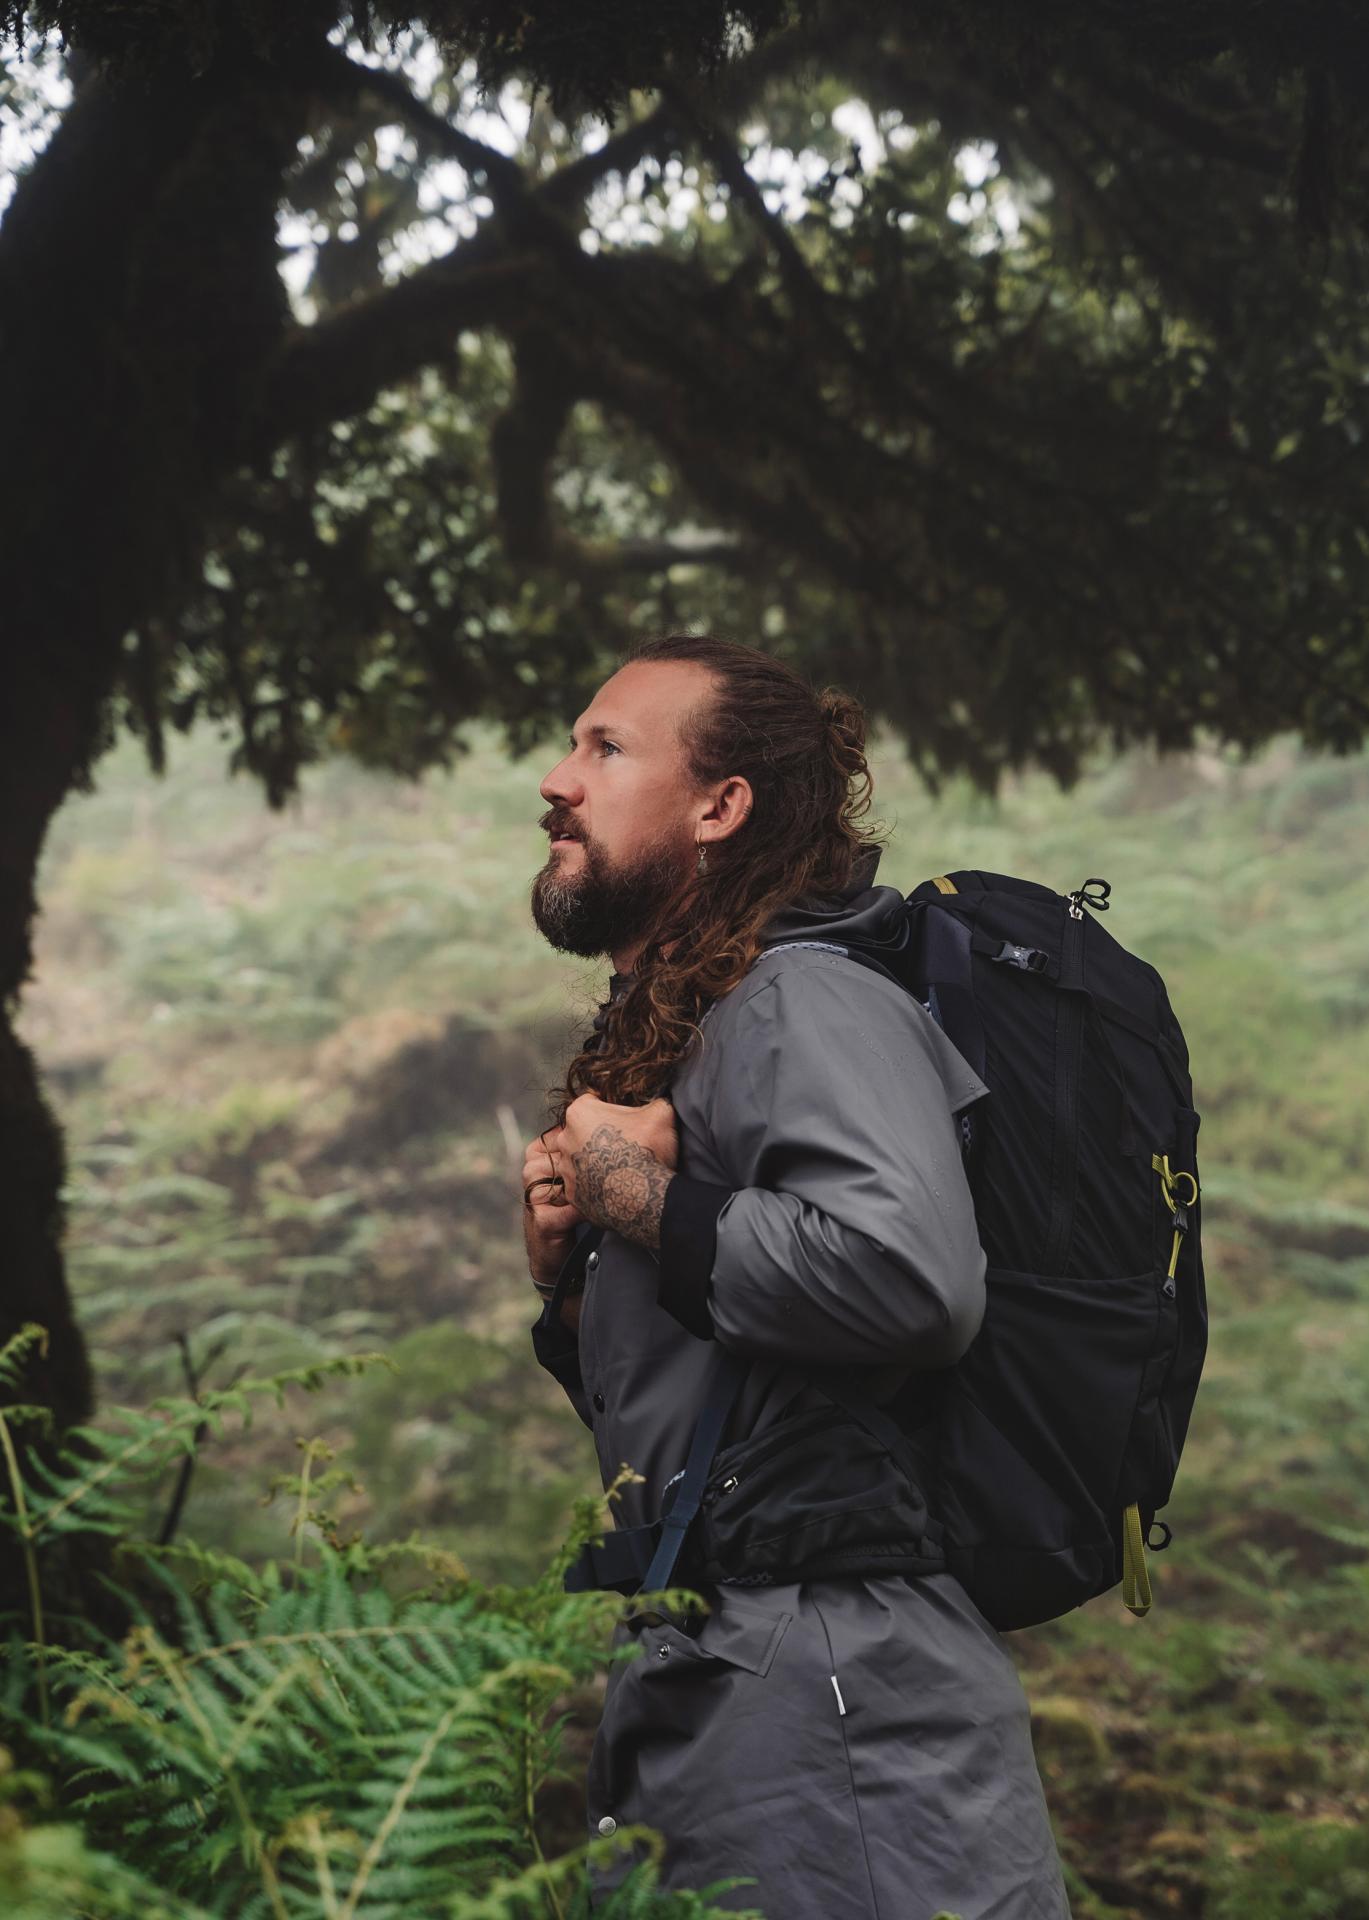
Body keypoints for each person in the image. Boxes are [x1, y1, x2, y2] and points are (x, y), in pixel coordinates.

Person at [523, 633, 1072, 1920]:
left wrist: (641, 1200)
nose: (556, 777)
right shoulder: (710, 1027)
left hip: (834, 1692)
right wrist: (575, 1290)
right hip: (744, 1672)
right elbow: (726, 1420)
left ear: (721, 808)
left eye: (607, 748)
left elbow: (910, 1283)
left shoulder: (803, 1003)